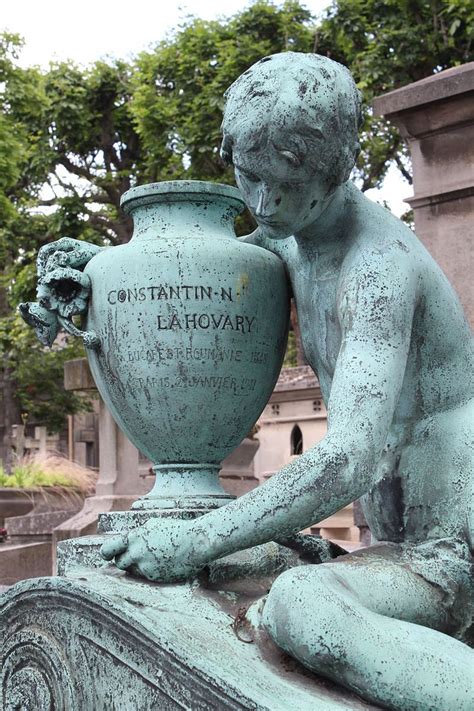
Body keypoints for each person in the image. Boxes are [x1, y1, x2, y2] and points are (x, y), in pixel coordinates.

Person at [98, 53, 473, 708]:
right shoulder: (291, 237)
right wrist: (94, 268)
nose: (262, 203)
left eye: (285, 184)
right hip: (392, 550)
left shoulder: (378, 268)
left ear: (333, 172)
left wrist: (195, 538)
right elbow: (206, 270)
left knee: (301, 603)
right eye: (250, 177)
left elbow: (351, 456)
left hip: (445, 557)